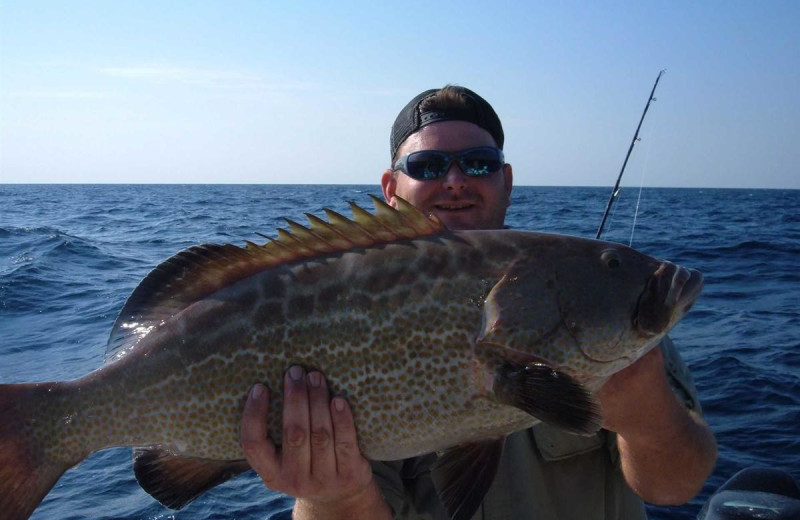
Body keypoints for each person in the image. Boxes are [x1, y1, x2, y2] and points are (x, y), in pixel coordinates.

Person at [239, 86, 718, 519]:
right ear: (390, 189)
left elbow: (675, 487)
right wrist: (334, 497)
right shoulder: (336, 296)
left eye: (478, 163)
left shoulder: (604, 308)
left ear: (505, 180)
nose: (454, 180)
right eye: (427, 167)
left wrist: (649, 416)